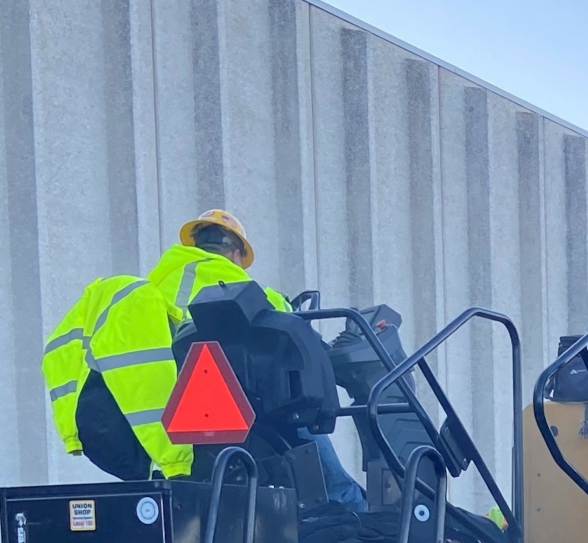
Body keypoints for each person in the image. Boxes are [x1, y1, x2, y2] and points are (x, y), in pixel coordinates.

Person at [41, 212, 367, 513]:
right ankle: (354, 513)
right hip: (246, 422)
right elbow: (299, 338)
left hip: (180, 433)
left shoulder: (155, 287)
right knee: (319, 453)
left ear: (194, 244)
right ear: (236, 253)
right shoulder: (241, 285)